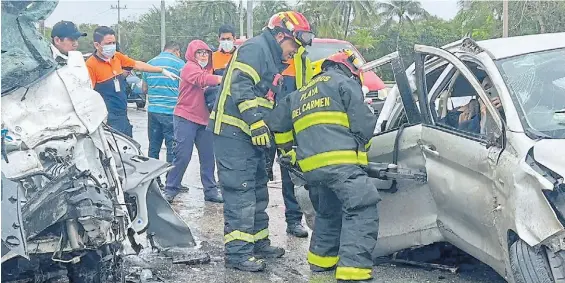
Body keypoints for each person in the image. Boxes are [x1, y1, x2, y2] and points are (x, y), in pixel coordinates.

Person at [208, 11, 314, 272]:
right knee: (241, 192)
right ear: (280, 36)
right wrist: (256, 123)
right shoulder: (256, 49)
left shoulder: (273, 56)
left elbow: (268, 102)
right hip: (233, 133)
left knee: (257, 190)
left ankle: (257, 242)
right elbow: (241, 86)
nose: (294, 52)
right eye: (294, 45)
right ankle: (238, 253)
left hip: (249, 136)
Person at [266, 50, 379, 282]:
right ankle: (353, 273)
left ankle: (320, 262)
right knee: (361, 208)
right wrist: (361, 148)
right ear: (347, 68)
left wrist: (288, 154)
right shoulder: (344, 83)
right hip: (342, 165)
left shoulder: (299, 93)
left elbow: (278, 122)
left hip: (312, 170)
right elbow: (364, 123)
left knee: (328, 211)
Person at [86, 26, 179, 137]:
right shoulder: (90, 65)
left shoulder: (117, 57)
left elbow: (137, 64)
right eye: (108, 43)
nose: (112, 46)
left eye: (113, 43)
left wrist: (161, 70)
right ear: (97, 45)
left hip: (121, 115)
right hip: (106, 118)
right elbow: (88, 95)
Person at [162, 40, 223, 203]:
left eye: (206, 53)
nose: (203, 56)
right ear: (192, 54)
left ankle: (210, 191)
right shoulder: (189, 67)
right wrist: (222, 79)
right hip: (185, 117)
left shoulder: (208, 70)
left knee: (208, 157)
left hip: (204, 120)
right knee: (182, 155)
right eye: (199, 53)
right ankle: (170, 189)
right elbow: (202, 80)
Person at [264, 45, 314, 238]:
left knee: (291, 175)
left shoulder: (302, 61)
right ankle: (255, 226)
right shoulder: (265, 57)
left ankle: (293, 221)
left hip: (290, 128)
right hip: (265, 124)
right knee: (259, 175)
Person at [142, 41, 184, 170]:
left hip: (153, 111)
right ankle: (170, 181)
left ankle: (153, 181)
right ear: (176, 51)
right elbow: (184, 88)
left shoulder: (149, 64)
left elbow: (144, 89)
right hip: (171, 112)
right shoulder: (180, 64)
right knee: (172, 148)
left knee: (153, 147)